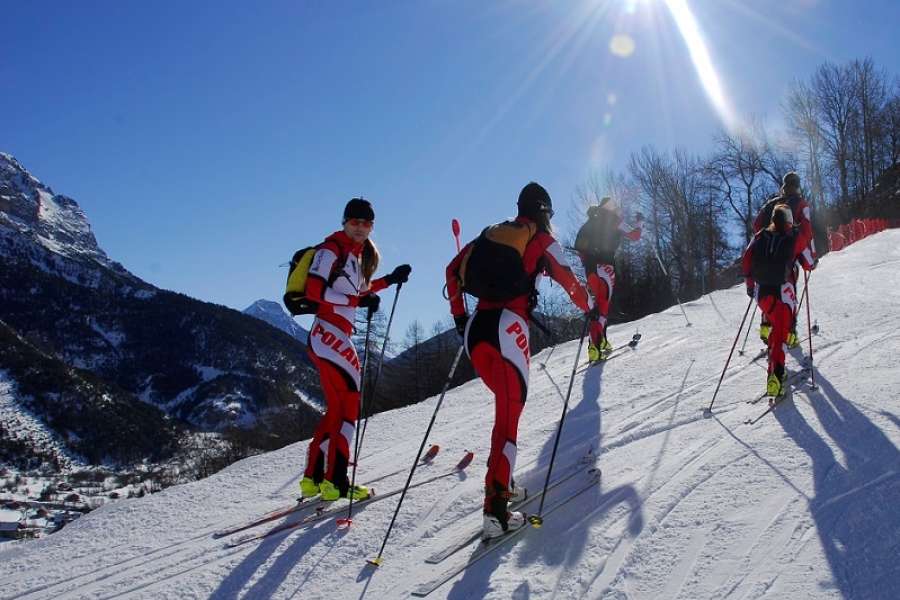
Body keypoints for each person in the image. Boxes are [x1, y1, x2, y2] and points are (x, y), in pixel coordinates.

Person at [445, 182, 593, 539]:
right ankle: (495, 511)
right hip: (507, 329)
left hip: (476, 331)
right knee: (508, 418)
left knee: (504, 410)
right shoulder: (539, 238)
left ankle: (503, 483)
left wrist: (459, 318)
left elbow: (452, 270)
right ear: (545, 212)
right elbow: (566, 276)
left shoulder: (493, 234)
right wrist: (590, 308)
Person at [299, 198, 411, 501]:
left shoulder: (353, 256)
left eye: (366, 223)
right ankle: (336, 482)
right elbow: (315, 291)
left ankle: (314, 478)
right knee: (349, 406)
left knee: (337, 409)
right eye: (355, 222)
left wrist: (389, 280)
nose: (360, 227)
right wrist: (356, 303)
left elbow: (358, 292)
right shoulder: (330, 250)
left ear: (372, 226)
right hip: (330, 333)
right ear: (344, 222)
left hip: (329, 336)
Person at [742, 205, 811, 398]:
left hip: (762, 292)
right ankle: (776, 377)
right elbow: (809, 263)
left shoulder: (760, 236)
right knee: (781, 333)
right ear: (789, 219)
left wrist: (749, 284)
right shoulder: (795, 236)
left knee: (775, 327)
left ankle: (774, 365)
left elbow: (746, 260)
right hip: (783, 291)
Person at [573, 198, 643, 361]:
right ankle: (594, 348)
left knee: (597, 306)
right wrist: (640, 222)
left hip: (590, 268)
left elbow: (579, 246)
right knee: (603, 306)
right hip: (605, 266)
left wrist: (588, 260)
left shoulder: (589, 223)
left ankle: (601, 341)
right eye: (615, 206)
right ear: (609, 207)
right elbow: (635, 236)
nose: (617, 209)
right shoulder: (613, 219)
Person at [752, 172, 816, 347]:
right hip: (787, 254)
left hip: (766, 253)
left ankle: (766, 328)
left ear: (784, 185)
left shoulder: (771, 204)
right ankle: (790, 334)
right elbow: (807, 231)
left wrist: (765, 239)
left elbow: (757, 224)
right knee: (789, 293)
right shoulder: (801, 204)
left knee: (767, 287)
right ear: (798, 185)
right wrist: (809, 258)